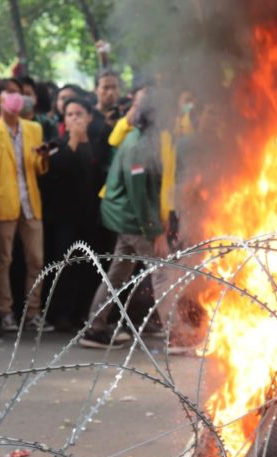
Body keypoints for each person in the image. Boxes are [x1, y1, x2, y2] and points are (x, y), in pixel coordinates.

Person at [80, 92, 198, 352]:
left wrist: (161, 219)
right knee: (162, 272)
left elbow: (149, 191)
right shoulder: (139, 147)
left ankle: (95, 327)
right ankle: (175, 335)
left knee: (118, 273)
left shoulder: (146, 140)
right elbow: (138, 195)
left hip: (129, 218)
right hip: (131, 219)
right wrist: (155, 231)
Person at [0, 90, 53, 332]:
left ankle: (33, 311)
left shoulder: (33, 128)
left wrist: (43, 158)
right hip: (3, 204)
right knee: (4, 259)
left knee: (36, 259)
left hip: (30, 202)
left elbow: (37, 168)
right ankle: (5, 311)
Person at [42, 98, 105, 331]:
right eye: (69, 114)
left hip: (91, 218)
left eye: (79, 113)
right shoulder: (57, 146)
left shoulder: (98, 144)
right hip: (65, 219)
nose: (74, 119)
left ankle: (85, 312)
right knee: (65, 265)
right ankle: (62, 314)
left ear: (89, 116)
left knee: (90, 267)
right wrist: (74, 141)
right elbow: (59, 169)